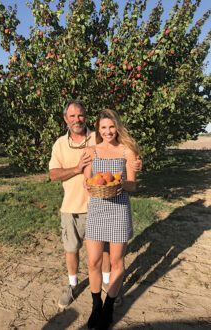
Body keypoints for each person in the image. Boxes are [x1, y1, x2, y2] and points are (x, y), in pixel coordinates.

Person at [49, 101, 142, 310]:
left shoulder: (100, 138)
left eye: (80, 115)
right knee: (73, 250)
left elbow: (128, 166)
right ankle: (73, 286)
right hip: (75, 205)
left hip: (104, 207)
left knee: (110, 255)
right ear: (65, 119)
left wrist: (135, 164)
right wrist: (79, 171)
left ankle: (109, 286)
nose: (76, 120)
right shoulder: (62, 144)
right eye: (71, 116)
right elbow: (56, 174)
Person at [83, 109, 140, 329]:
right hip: (97, 210)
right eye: (103, 127)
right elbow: (87, 181)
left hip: (119, 211)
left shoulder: (128, 151)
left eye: (111, 127)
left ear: (118, 127)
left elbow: (133, 186)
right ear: (98, 128)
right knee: (93, 262)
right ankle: (96, 306)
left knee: (116, 262)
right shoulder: (91, 151)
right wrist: (90, 184)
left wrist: (119, 183)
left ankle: (109, 306)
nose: (107, 131)